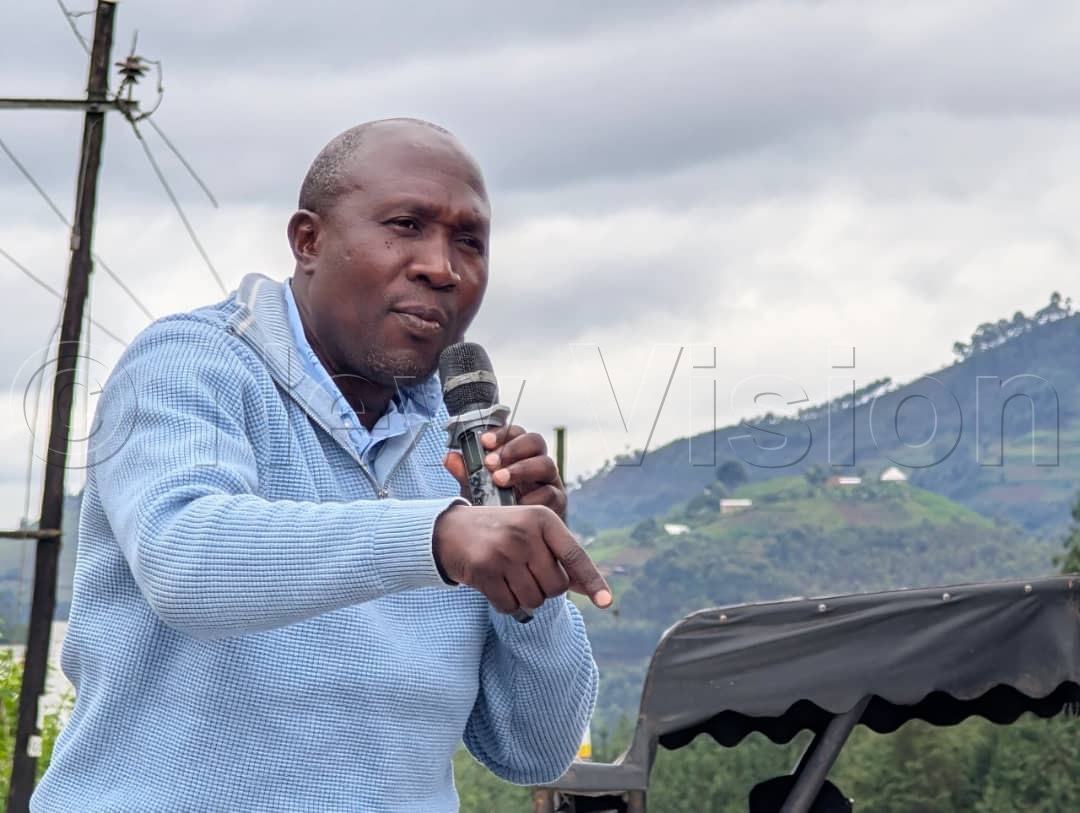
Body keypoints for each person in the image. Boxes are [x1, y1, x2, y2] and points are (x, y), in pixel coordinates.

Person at [32, 118, 612, 812]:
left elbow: (538, 751)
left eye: (470, 241)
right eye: (406, 225)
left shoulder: (460, 454)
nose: (442, 267)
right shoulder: (190, 364)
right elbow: (186, 559)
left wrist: (528, 586)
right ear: (308, 241)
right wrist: (437, 537)